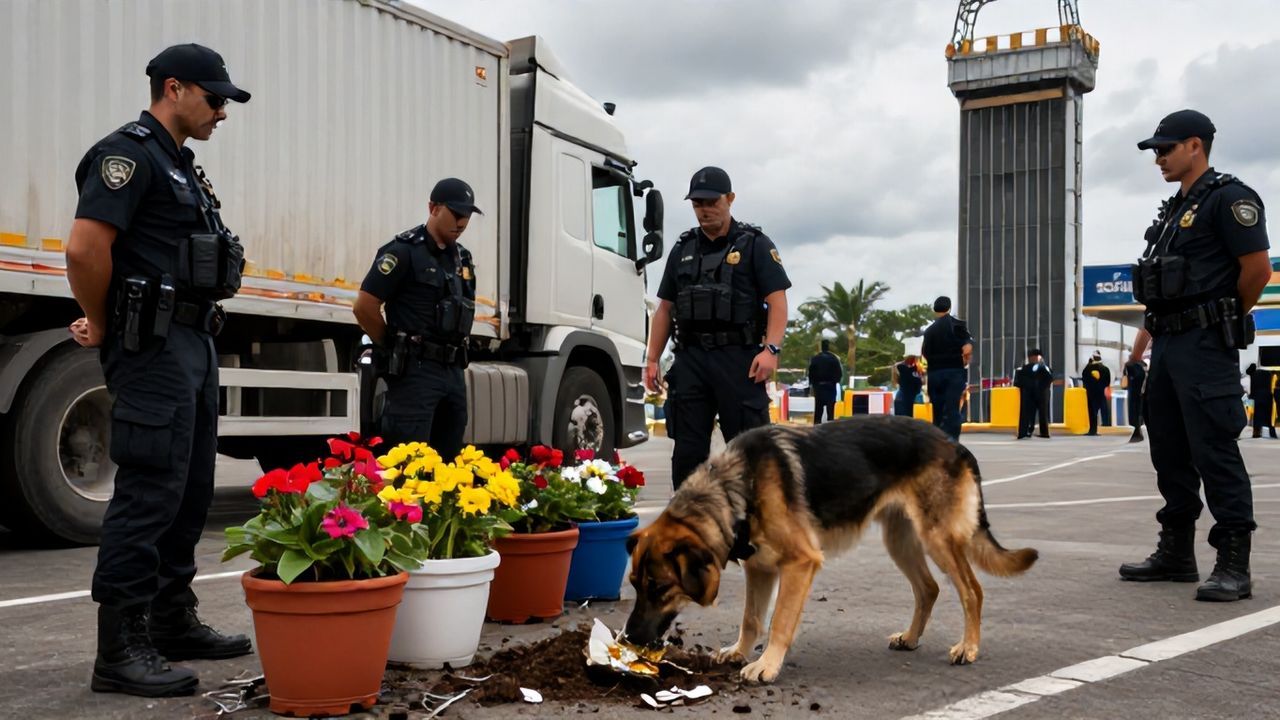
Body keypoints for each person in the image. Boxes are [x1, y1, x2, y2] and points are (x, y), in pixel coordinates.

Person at [66, 44, 253, 697]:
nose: (223, 111)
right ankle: (119, 649)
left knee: (190, 489)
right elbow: (85, 248)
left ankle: (172, 620)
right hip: (152, 345)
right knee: (149, 491)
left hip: (192, 342)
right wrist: (107, 320)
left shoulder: (182, 167)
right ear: (174, 88)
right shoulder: (128, 155)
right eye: (214, 97)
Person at [1119, 109, 1272, 602]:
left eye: (1165, 148)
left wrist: (1222, 317)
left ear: (1195, 146)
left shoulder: (1230, 199)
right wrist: (1145, 349)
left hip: (1205, 346)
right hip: (1167, 344)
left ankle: (1233, 561)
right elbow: (1160, 291)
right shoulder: (1171, 211)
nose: (1159, 158)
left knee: (1214, 450)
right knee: (1168, 449)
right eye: (1155, 150)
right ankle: (1177, 553)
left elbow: (1257, 270)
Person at [644, 166, 791, 488]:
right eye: (698, 203)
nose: (705, 210)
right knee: (688, 451)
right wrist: (652, 359)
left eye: (712, 202)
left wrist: (771, 350)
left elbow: (777, 301)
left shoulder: (754, 244)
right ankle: (690, 528)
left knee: (748, 450)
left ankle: (751, 530)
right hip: (691, 360)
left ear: (730, 199)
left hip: (738, 359)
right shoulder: (683, 249)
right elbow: (665, 309)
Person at [353, 178, 480, 459]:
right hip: (416, 372)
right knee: (409, 463)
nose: (462, 222)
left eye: (467, 216)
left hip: (453, 371)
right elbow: (365, 306)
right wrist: (391, 343)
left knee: (449, 463)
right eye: (456, 214)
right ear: (433, 208)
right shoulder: (403, 251)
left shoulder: (463, 259)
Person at [921, 296, 972, 440]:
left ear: (935, 310)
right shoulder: (957, 325)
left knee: (937, 410)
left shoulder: (929, 331)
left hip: (935, 373)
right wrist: (964, 359)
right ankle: (952, 441)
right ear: (949, 308)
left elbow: (925, 353)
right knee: (952, 409)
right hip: (954, 372)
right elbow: (967, 348)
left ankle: (939, 440)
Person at [1013, 349, 1053, 439]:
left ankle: (1025, 432)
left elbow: (1018, 382)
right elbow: (1050, 378)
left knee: (1028, 414)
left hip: (1032, 394)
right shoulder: (1043, 368)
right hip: (1039, 393)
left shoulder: (1027, 368)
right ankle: (1040, 432)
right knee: (1040, 413)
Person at [807, 339, 843, 424]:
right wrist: (836, 381)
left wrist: (812, 384)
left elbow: (811, 373)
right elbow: (839, 373)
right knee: (831, 410)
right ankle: (830, 428)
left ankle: (817, 428)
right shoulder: (834, 358)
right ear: (829, 347)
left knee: (818, 410)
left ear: (821, 347)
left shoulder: (816, 358)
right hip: (830, 386)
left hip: (819, 387)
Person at [1082, 351, 1112, 435]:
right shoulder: (1105, 369)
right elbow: (1107, 381)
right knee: (1104, 410)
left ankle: (1092, 430)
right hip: (1101, 393)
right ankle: (1106, 425)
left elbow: (1084, 377)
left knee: (1092, 412)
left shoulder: (1088, 369)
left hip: (1091, 393)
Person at [1245, 363, 1276, 438]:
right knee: (1268, 415)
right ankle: (1272, 433)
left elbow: (1251, 388)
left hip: (1257, 396)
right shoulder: (1268, 373)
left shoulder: (1253, 374)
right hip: (1267, 395)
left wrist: (1250, 398)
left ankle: (1256, 432)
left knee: (1257, 415)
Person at [1122, 358, 1148, 443]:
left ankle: (1137, 432)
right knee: (1138, 411)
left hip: (1135, 393)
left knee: (1135, 411)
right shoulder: (1142, 366)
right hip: (1141, 393)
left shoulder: (1132, 366)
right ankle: (1137, 431)